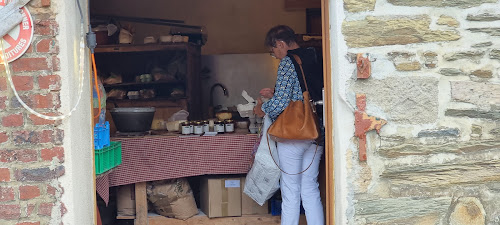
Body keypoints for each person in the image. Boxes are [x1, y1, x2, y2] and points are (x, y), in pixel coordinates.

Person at [254, 25, 325, 225]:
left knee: (290, 190)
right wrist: (275, 93)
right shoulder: (315, 56)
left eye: (273, 51)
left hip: (294, 135)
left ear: (280, 44)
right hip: (316, 131)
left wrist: (263, 108)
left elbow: (282, 104)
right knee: (310, 188)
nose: (275, 56)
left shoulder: (288, 61)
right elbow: (302, 94)